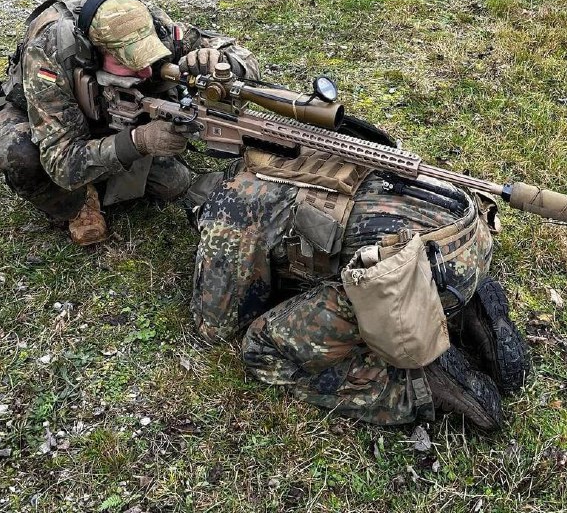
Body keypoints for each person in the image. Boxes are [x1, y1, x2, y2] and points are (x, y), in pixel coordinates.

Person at [190, 149, 531, 430]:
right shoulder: (278, 148)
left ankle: (420, 385)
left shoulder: (229, 210)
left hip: (410, 270)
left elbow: (217, 326)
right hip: (467, 227)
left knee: (263, 349)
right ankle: (468, 308)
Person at [0, 0, 258, 245]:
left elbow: (245, 60)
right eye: (130, 63)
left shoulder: (155, 26)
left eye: (147, 59)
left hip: (115, 113)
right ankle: (77, 203)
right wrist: (139, 142)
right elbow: (61, 163)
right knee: (20, 157)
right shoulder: (49, 51)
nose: (146, 73)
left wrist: (221, 61)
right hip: (43, 118)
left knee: (174, 184)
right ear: (95, 53)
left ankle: (107, 167)